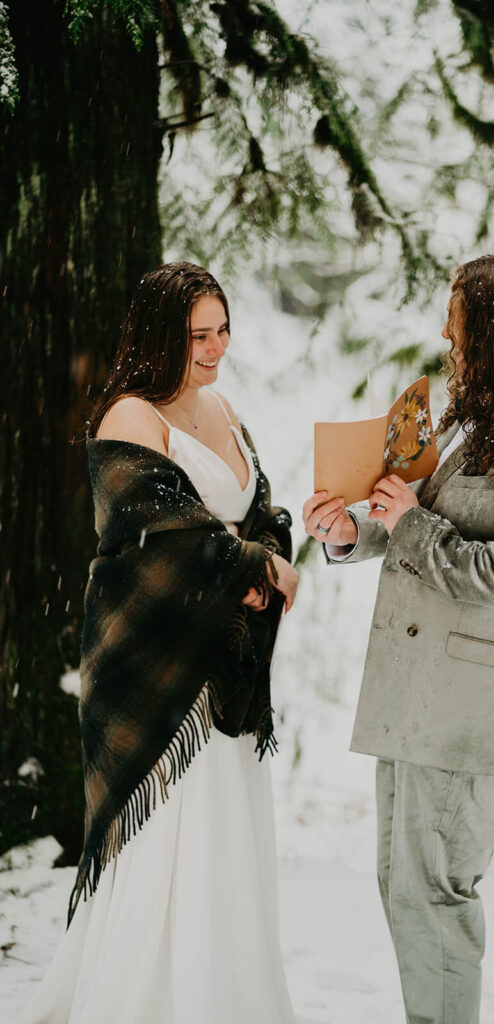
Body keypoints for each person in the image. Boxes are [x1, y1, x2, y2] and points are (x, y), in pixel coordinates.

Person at [303, 253, 494, 1024]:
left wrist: (408, 522)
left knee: (434, 898)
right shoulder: (475, 422)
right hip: (416, 699)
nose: (445, 334)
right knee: (405, 891)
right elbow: (420, 520)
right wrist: (353, 531)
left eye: (460, 321)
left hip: (473, 710)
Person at [19, 262, 299, 1024]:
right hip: (155, 665)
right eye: (197, 336)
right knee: (171, 839)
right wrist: (248, 565)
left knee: (225, 844)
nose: (215, 349)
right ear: (158, 338)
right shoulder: (130, 417)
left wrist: (265, 555)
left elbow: (257, 511)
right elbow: (153, 544)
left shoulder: (224, 406)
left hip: (227, 665)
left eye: (222, 330)